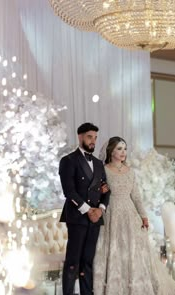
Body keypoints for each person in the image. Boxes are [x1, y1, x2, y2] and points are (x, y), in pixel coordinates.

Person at [93, 136, 175, 295]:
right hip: (111, 214)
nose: (123, 152)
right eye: (119, 148)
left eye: (125, 149)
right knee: (114, 249)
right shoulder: (103, 170)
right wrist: (100, 193)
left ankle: (136, 287)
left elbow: (136, 196)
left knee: (132, 250)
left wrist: (144, 216)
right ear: (111, 151)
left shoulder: (130, 171)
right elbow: (95, 193)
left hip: (130, 214)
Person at [59, 122, 110, 295]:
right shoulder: (68, 161)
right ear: (80, 136)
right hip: (78, 217)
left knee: (88, 260)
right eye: (89, 137)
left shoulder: (98, 163)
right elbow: (69, 191)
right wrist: (88, 210)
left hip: (96, 218)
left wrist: (101, 208)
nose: (93, 141)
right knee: (73, 261)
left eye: (95, 137)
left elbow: (106, 189)